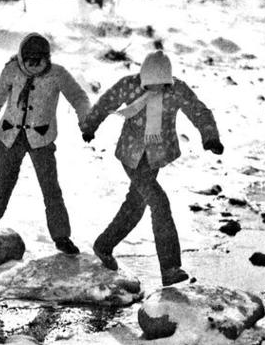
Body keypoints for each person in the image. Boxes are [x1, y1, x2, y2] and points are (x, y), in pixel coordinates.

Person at [80, 50, 223, 285]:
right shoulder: (129, 86)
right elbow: (106, 102)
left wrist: (210, 138)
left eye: (160, 85)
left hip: (155, 156)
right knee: (159, 203)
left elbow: (199, 111)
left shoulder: (177, 90)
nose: (155, 89)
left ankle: (104, 244)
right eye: (150, 85)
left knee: (135, 205)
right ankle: (170, 268)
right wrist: (90, 125)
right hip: (131, 155)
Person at [0, 32, 90, 256]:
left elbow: (79, 97)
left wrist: (86, 120)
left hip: (41, 138)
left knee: (50, 187)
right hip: (11, 136)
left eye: (40, 62)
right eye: (30, 62)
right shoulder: (11, 70)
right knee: (5, 179)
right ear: (21, 58)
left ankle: (61, 236)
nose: (35, 66)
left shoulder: (58, 74)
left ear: (47, 59)